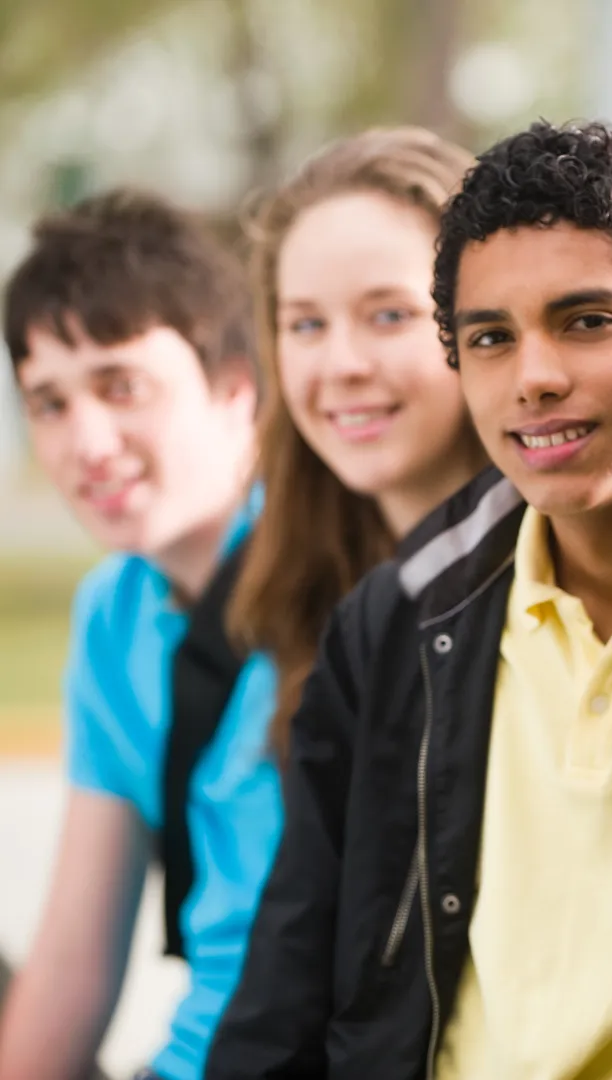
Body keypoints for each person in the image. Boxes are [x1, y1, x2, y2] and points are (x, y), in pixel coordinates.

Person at [206, 120, 612, 1080]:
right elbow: (283, 997)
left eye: (587, 321)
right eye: (490, 338)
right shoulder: (393, 621)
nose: (535, 376)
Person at [0, 190, 279, 1080]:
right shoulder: (114, 613)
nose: (86, 441)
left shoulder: (334, 574)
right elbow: (73, 960)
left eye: (121, 386)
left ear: (236, 389)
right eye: (48, 402)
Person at [229, 126, 487, 757]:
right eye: (307, 323)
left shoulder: (558, 599)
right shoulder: (293, 584)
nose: (341, 364)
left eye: (389, 315)